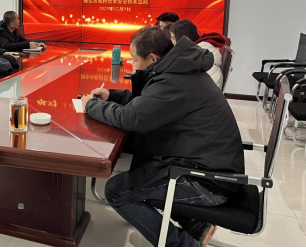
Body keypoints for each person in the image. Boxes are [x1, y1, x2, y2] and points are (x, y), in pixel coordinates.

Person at [81, 26, 244, 247]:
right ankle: (196, 224)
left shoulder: (174, 80)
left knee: (117, 191)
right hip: (209, 165)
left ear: (152, 58)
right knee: (139, 162)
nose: (133, 65)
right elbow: (151, 103)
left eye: (135, 60)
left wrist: (90, 105)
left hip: (207, 181)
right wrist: (113, 95)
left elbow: (132, 118)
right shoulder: (179, 69)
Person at [170, 19, 225, 89]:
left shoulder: (197, 54)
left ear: (181, 38)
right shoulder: (199, 50)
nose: (172, 42)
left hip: (205, 92)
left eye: (173, 38)